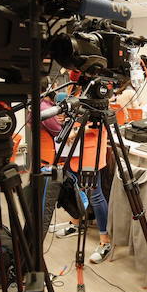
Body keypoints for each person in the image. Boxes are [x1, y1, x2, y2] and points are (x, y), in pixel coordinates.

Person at [37, 86, 112, 263]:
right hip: (74, 149)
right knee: (74, 187)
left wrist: (77, 131)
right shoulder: (78, 90)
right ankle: (76, 223)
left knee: (96, 195)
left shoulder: (98, 94)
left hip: (90, 150)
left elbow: (100, 123)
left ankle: (105, 241)